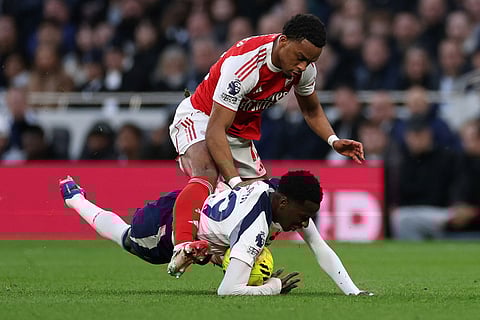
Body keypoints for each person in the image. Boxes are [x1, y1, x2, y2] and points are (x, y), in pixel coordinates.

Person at [169, 14, 365, 252]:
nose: (303, 66)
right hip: (202, 116)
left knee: (263, 201)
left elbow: (312, 110)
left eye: (310, 61)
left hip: (238, 130)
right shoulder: (244, 65)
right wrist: (235, 183)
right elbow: (215, 130)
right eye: (301, 58)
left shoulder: (304, 70)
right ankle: (183, 247)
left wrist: (333, 141)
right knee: (208, 172)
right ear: (283, 41)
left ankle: (238, 259)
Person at [59, 170, 372, 296]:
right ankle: (75, 200)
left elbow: (319, 246)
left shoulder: (279, 193)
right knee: (127, 238)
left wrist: (354, 292)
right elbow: (227, 291)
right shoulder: (255, 228)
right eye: (303, 217)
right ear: (286, 202)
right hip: (165, 226)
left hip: (203, 215)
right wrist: (272, 287)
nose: (304, 225)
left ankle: (76, 199)